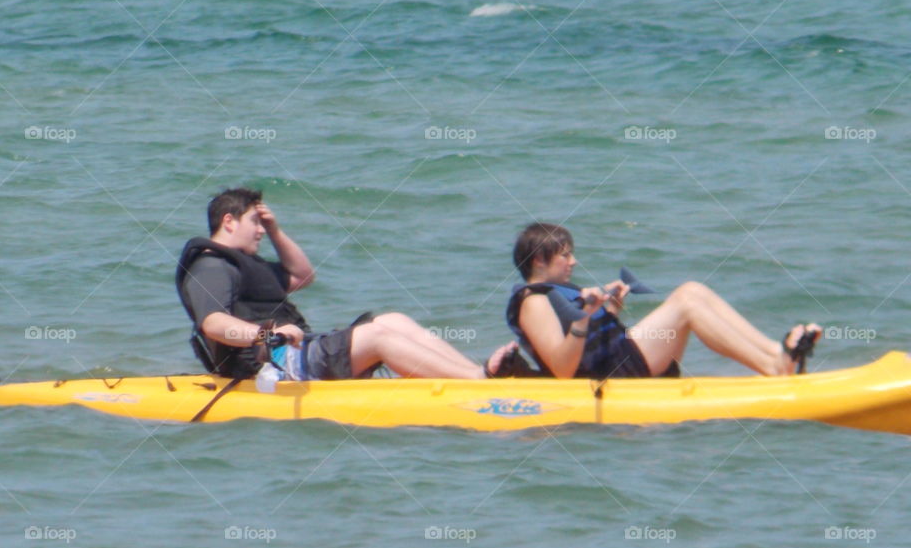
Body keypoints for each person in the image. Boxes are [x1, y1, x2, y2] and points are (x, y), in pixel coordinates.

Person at [176, 187, 516, 382]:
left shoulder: (246, 263)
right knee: (377, 336)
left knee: (392, 321)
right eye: (256, 222)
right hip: (270, 363)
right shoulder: (211, 266)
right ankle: (477, 384)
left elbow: (302, 276)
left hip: (295, 352)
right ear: (228, 221)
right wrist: (266, 333)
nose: (262, 231)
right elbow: (214, 324)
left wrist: (276, 229)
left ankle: (475, 373)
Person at [506, 222, 822, 379]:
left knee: (693, 292)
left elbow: (589, 337)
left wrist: (610, 307)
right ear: (538, 261)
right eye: (565, 255)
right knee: (687, 299)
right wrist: (586, 315)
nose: (573, 261)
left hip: (617, 359)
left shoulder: (559, 292)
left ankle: (774, 354)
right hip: (610, 374)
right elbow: (562, 369)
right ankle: (774, 364)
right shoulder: (532, 302)